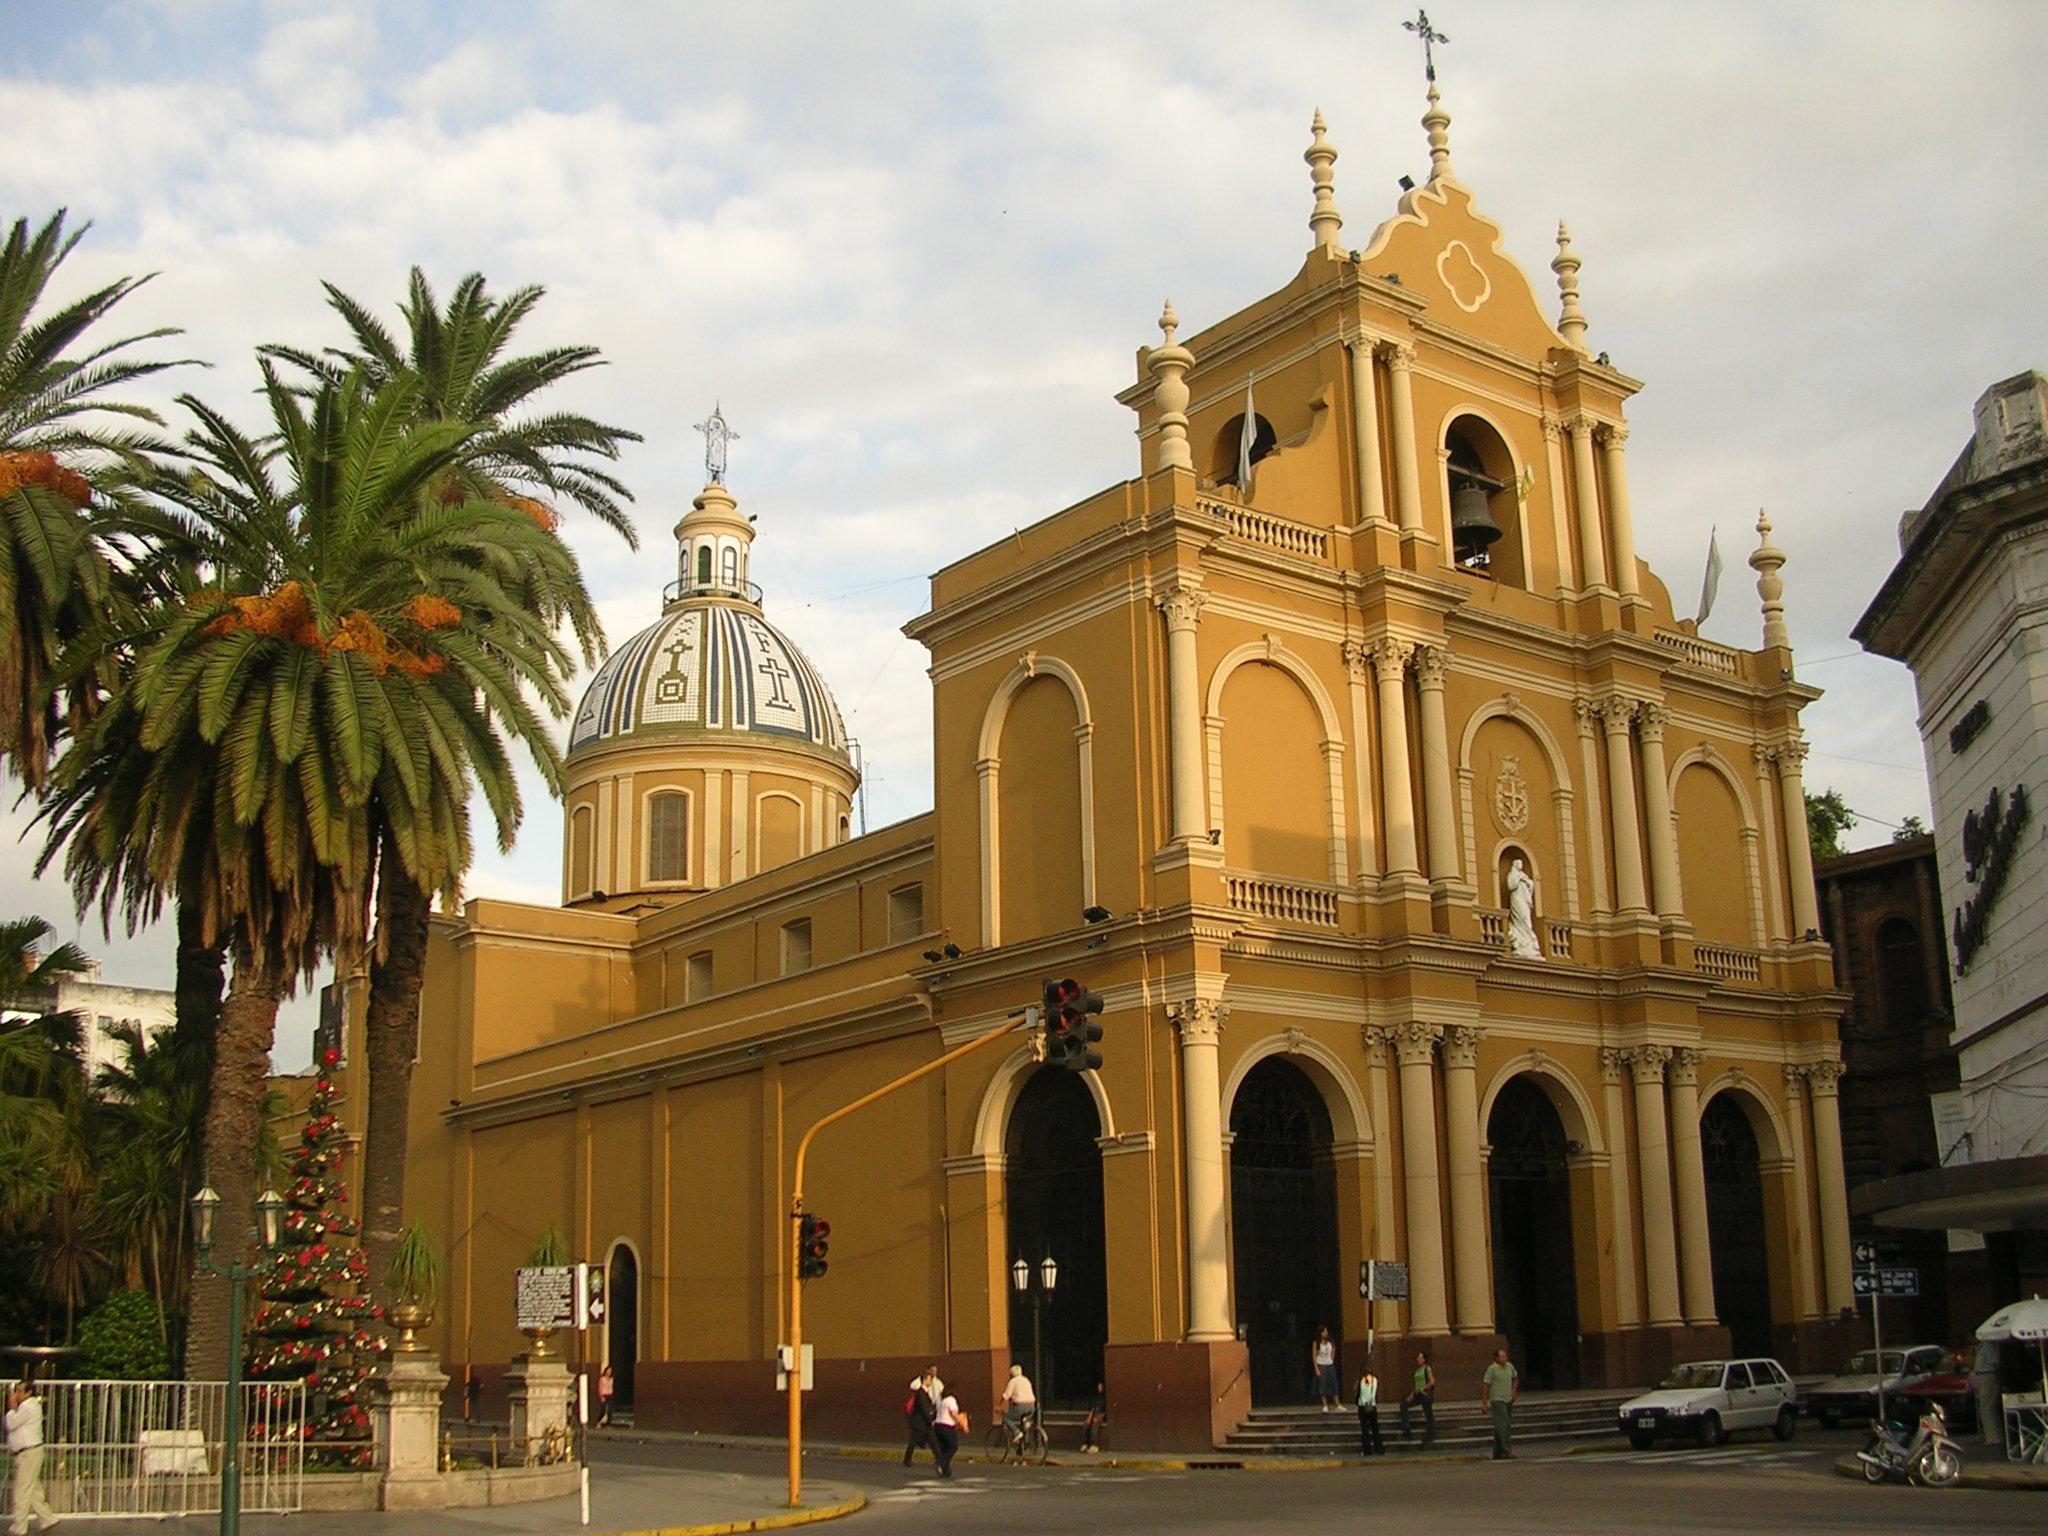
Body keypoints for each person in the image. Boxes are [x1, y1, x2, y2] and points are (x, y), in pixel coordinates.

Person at [6, 1382, 51, 1536]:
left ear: (28, 1392)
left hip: (29, 1453)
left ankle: (19, 1527)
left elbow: (11, 1423)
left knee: (22, 1491)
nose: (16, 1394)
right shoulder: (28, 1407)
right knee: (32, 1490)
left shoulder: (28, 1407)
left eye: (19, 1391)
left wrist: (11, 1408)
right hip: (28, 1453)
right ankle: (47, 1518)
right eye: (16, 1391)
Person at [1481, 1347, 1519, 1460]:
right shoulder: (1492, 1369)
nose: (1504, 1358)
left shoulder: (1509, 1366)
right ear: (1496, 1358)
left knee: (1501, 1426)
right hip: (1497, 1400)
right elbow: (1486, 1386)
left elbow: (1515, 1378)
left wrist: (1514, 1390)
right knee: (1504, 1424)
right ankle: (1507, 1450)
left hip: (1508, 1399)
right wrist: (1484, 1403)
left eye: (1505, 1356)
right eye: (1502, 1356)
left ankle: (1497, 1452)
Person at [902, 1367, 940, 1466]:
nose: (931, 1381)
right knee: (930, 1441)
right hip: (921, 1423)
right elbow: (924, 1409)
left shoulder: (924, 1392)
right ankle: (940, 1460)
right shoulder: (921, 1393)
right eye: (930, 1379)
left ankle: (939, 1459)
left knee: (929, 1441)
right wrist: (931, 1419)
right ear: (925, 1380)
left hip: (922, 1423)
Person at [1506, 858, 1542, 958]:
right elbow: (1511, 886)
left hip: (1525, 901)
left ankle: (1528, 943)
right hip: (1517, 900)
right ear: (1514, 864)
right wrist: (1519, 879)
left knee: (1526, 919)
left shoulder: (1524, 876)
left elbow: (1531, 886)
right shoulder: (1512, 875)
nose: (1520, 865)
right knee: (1520, 918)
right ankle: (1521, 942)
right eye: (1518, 863)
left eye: (1521, 863)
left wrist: (1527, 882)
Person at [1399, 1349, 1436, 1447]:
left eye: (1420, 1358)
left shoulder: (1426, 1369)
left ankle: (1430, 1435)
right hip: (1417, 1394)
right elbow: (1416, 1385)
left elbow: (1432, 1381)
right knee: (1404, 1406)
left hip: (1424, 1394)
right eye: (1418, 1357)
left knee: (1429, 1414)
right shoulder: (1417, 1371)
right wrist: (1411, 1395)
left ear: (1424, 1360)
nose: (1418, 1359)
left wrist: (1424, 1388)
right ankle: (1406, 1427)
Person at [931, 1386, 963, 1477]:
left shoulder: (941, 1400)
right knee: (953, 1446)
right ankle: (941, 1463)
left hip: (937, 1426)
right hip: (947, 1426)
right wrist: (960, 1422)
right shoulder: (951, 1400)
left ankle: (946, 1470)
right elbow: (953, 1414)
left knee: (944, 1448)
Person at [998, 1363, 1036, 1438]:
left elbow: (1006, 1395)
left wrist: (999, 1405)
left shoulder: (1013, 1381)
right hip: (1031, 1406)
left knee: (1006, 1418)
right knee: (1024, 1419)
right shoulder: (1026, 1380)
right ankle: (1026, 1423)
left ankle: (1017, 1432)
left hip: (1021, 1407)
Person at [1356, 1365, 1384, 1457]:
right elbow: (1373, 1393)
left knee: (1365, 1429)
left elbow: (1360, 1394)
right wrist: (1370, 1403)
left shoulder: (1361, 1380)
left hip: (1362, 1406)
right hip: (1372, 1406)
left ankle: (1367, 1450)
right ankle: (1379, 1448)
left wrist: (1364, 1403)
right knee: (1375, 1428)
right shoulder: (1374, 1380)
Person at [1311, 1326, 1340, 1411]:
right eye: (1324, 1332)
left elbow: (1334, 1349)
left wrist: (1332, 1358)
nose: (1325, 1333)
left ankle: (1337, 1404)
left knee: (1333, 1384)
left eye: (1326, 1332)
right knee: (1322, 1385)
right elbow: (1314, 1355)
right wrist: (1316, 1368)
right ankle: (1324, 1404)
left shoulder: (1330, 1341)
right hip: (1321, 1364)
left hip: (1330, 1364)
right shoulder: (1316, 1343)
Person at [1080, 1381, 1108, 1454]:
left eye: (1101, 1387)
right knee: (1086, 1425)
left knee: (1094, 1426)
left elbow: (1105, 1410)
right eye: (1098, 1387)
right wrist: (1089, 1417)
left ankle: (1094, 1445)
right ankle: (1085, 1443)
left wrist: (1098, 1417)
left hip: (1101, 1415)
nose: (1099, 1389)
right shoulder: (1096, 1397)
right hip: (1095, 1413)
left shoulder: (1105, 1398)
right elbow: (1093, 1408)